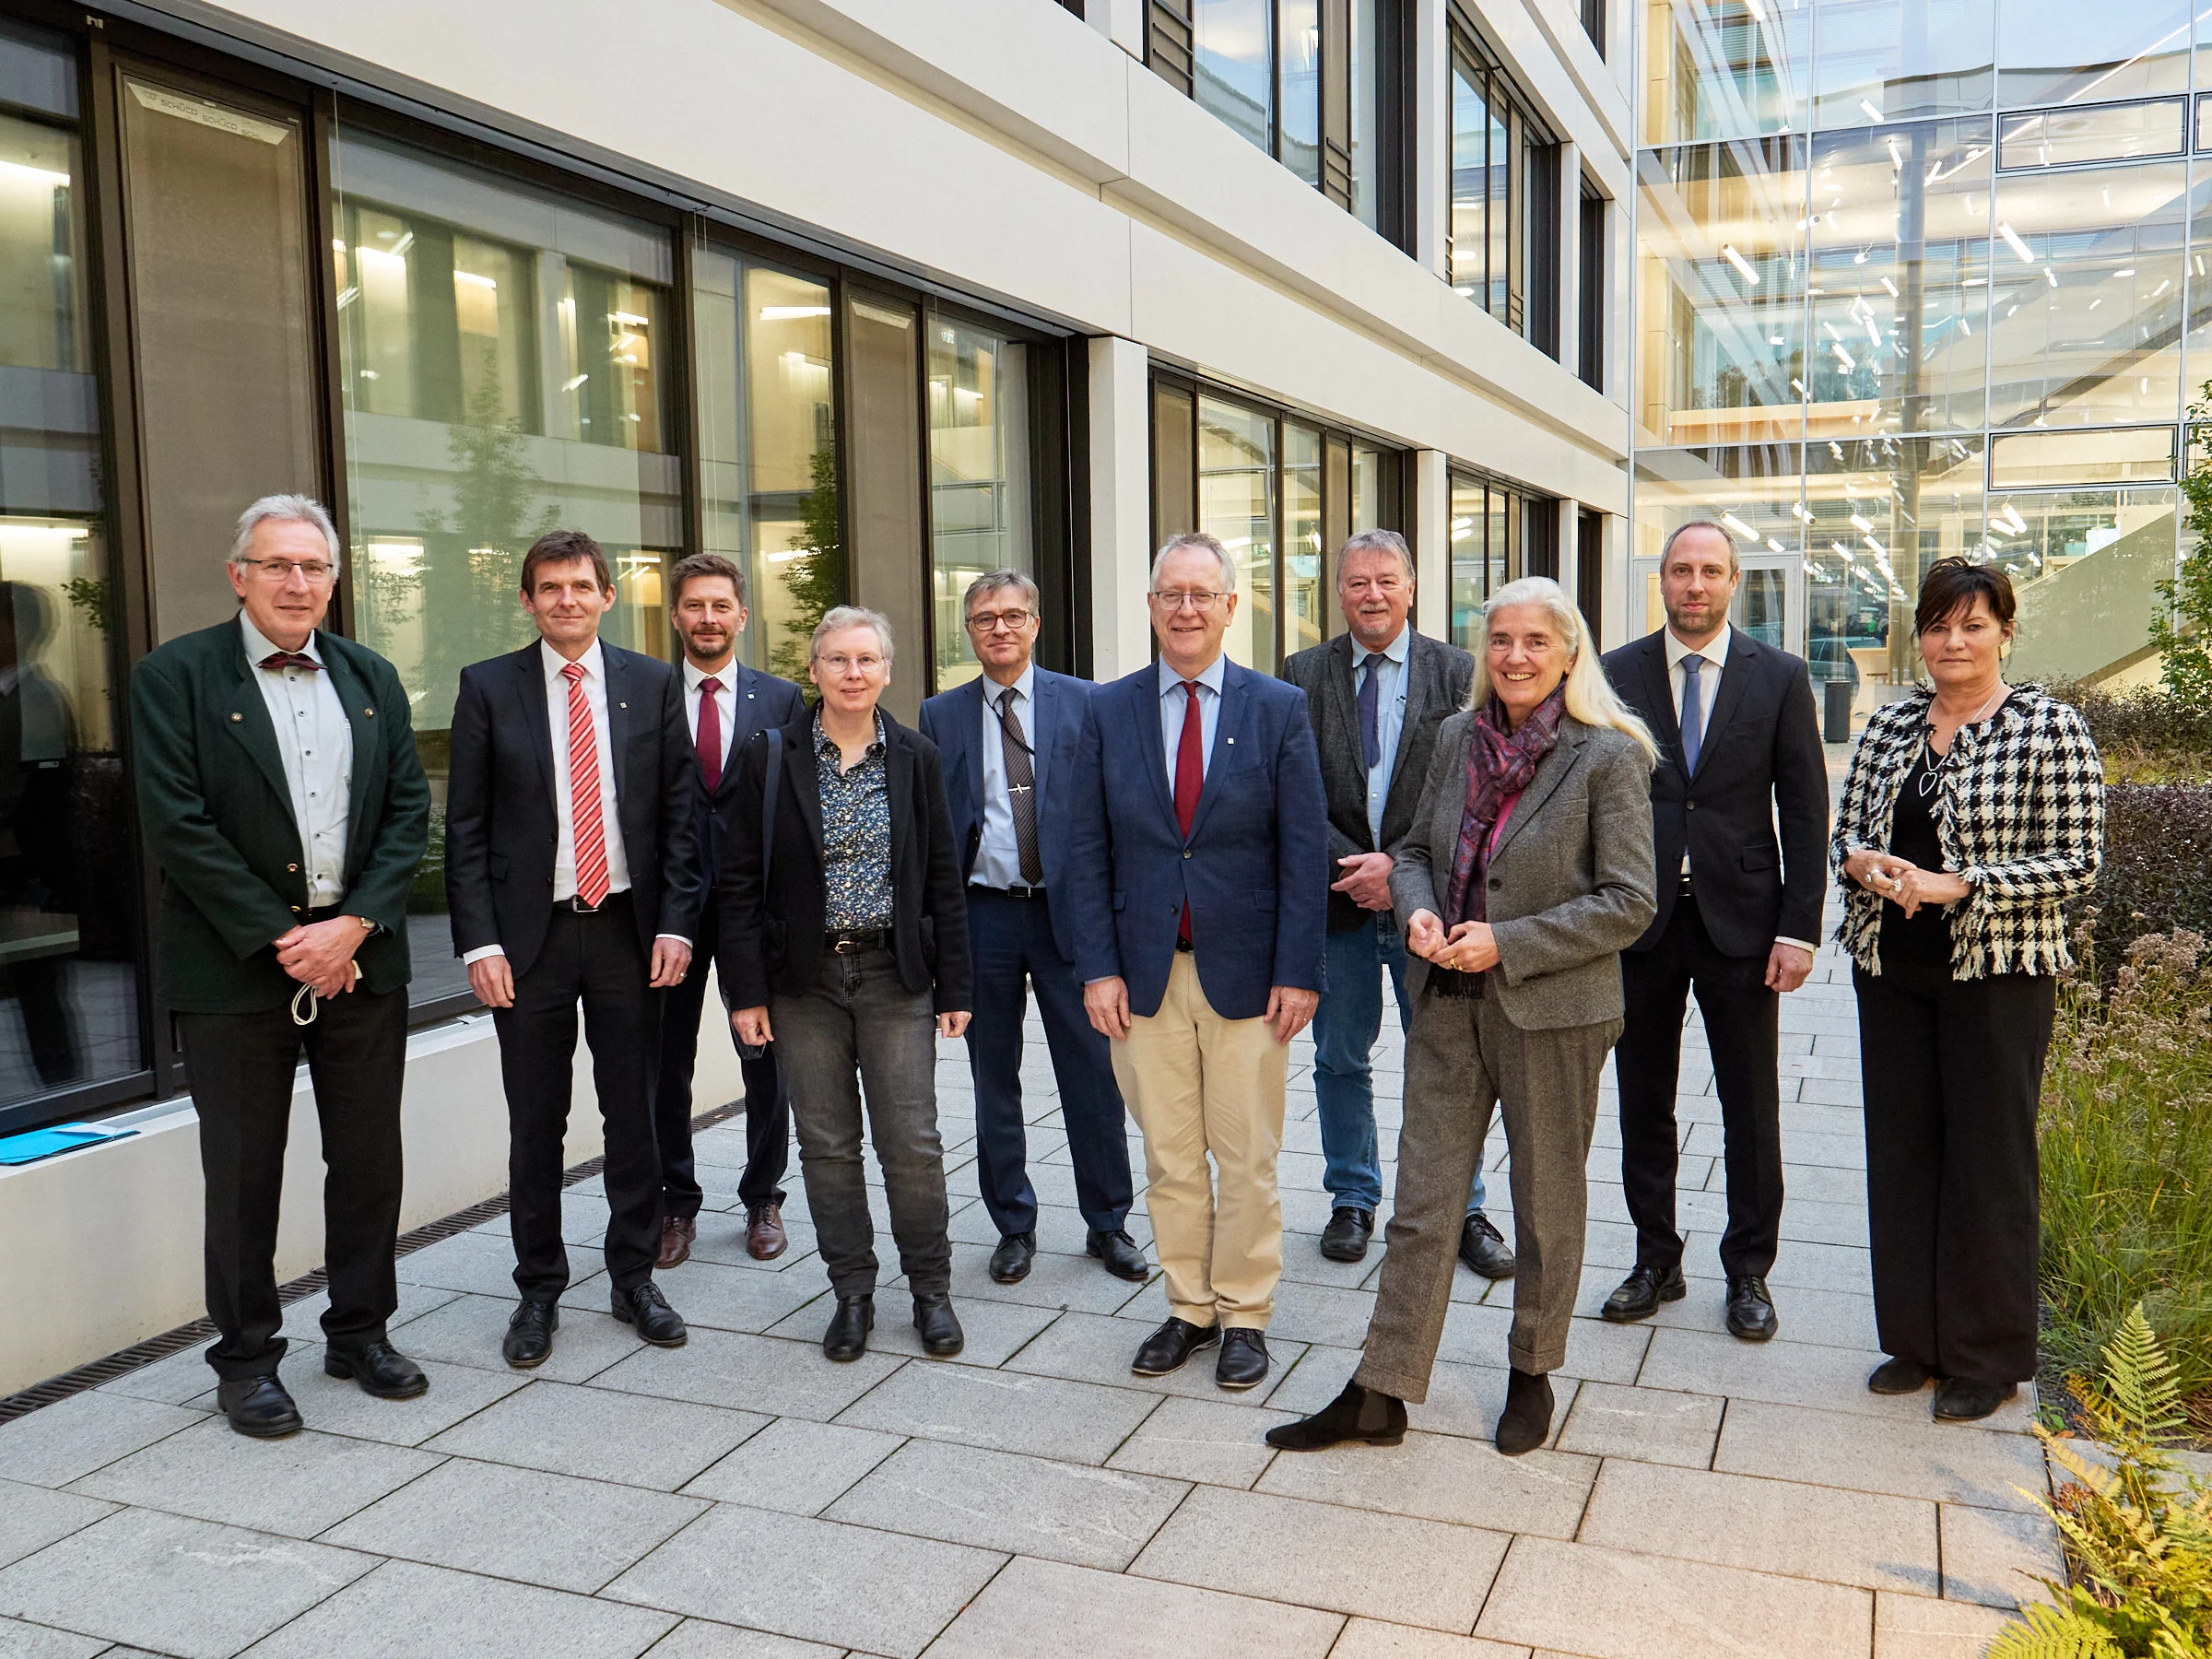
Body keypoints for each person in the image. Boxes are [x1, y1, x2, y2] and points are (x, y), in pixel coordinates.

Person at [1268, 577, 1656, 1458]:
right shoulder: (1454, 737)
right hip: (1445, 1001)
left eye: (1534, 642)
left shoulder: (1608, 755)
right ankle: (1382, 1389)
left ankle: (1532, 1370)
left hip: (1551, 1010)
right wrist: (1414, 909)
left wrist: (1507, 941)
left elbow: (1629, 902)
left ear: (1568, 653)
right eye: (1501, 641)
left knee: (1543, 1199)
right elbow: (1411, 850)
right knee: (1423, 1201)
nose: (1515, 657)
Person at [130, 495, 430, 1438]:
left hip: (357, 965)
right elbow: (178, 823)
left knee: (369, 1162)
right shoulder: (174, 677)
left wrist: (353, 928)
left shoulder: (372, 676)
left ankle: (360, 1330)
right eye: (277, 565)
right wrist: (285, 938)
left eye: (314, 568)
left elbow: (406, 816)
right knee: (245, 1170)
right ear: (239, 576)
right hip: (237, 970)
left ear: (334, 582)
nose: (297, 582)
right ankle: (248, 1358)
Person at [1833, 558, 2101, 1423]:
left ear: (2005, 633)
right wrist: (1864, 863)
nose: (1954, 641)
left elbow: (2077, 861)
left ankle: (1986, 1355)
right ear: (1919, 637)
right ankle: (1915, 1341)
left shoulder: (2048, 726)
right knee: (1904, 1153)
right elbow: (1847, 832)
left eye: (1973, 625)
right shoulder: (1890, 726)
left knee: (1989, 1164)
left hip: (1997, 978)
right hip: (1895, 974)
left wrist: (1962, 883)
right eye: (1939, 625)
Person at [1065, 531, 1328, 1393]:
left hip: (1249, 974)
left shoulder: (1279, 708)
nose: (1185, 609)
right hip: (1142, 977)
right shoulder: (1107, 711)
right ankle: (1189, 1306)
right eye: (1170, 594)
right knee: (1171, 1156)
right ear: (1150, 608)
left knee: (1246, 1153)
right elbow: (1083, 849)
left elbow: (1302, 851)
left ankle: (1246, 1312)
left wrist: (1301, 970)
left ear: (1228, 607)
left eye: (1201, 595)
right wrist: (1097, 969)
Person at [446, 529, 702, 1369]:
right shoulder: (488, 688)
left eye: (580, 586)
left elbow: (678, 818)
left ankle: (633, 1278)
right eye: (548, 587)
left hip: (630, 932)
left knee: (634, 1114)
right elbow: (468, 829)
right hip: (532, 942)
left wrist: (676, 923)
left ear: (607, 596)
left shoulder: (652, 683)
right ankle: (539, 1290)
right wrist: (479, 941)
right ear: (526, 600)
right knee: (537, 1122)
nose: (565, 600)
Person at [719, 607, 972, 1362]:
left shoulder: (917, 757)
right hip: (803, 985)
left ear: (887, 670)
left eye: (867, 659)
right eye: (837, 660)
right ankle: (852, 1295)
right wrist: (745, 994)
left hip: (896, 978)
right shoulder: (768, 757)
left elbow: (943, 882)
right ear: (815, 670)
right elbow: (735, 886)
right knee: (826, 1146)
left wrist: (956, 986)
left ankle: (931, 1292)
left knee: (914, 1145)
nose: (853, 673)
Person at [1598, 522, 1829, 1341]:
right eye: (1680, 571)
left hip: (1744, 924)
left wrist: (1800, 928)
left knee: (1749, 1105)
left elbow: (1804, 811)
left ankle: (1749, 1272)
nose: (1694, 586)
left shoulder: (1780, 678)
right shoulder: (1615, 673)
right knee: (1642, 1102)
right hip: (1640, 923)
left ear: (1735, 583)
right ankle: (1655, 1259)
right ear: (1660, 581)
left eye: (1710, 572)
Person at [1280, 531, 1512, 1276]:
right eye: (1355, 583)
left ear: (1411, 588)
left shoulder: (1459, 673)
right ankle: (1353, 1195)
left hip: (1432, 908)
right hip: (1338, 901)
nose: (1371, 594)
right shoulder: (1303, 673)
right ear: (1337, 594)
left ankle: (1464, 1207)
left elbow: (1481, 791)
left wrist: (1400, 868)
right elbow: (1288, 788)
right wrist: (1355, 866)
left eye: (1385, 580)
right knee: (1339, 1056)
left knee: (1446, 1060)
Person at [918, 571, 1146, 1287]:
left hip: (1068, 917)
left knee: (1093, 1075)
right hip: (983, 916)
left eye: (1014, 616)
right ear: (969, 630)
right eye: (985, 618)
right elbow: (935, 832)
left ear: (1036, 624)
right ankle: (1013, 1224)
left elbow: (1115, 814)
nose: (1000, 628)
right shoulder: (940, 714)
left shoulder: (1088, 704)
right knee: (994, 1079)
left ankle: (1108, 1222)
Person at [651, 553, 806, 1268]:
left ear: (742, 616)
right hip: (665, 915)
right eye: (693, 606)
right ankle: (674, 1203)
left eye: (721, 606)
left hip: (756, 910)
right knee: (664, 1063)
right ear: (674, 615)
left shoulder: (782, 700)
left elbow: (801, 809)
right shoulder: (644, 695)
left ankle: (763, 1196)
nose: (707, 619)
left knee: (764, 1058)